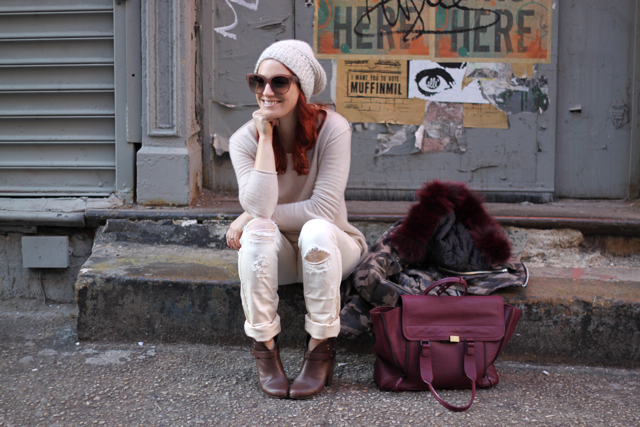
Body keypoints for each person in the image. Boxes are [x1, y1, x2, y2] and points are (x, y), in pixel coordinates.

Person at [226, 40, 366, 399]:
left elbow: (323, 210)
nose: (266, 91)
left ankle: (320, 347)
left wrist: (247, 215)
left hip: (332, 247)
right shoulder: (244, 140)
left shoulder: (333, 129)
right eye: (258, 81)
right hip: (282, 257)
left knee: (314, 228)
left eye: (279, 82)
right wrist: (265, 138)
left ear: (301, 88)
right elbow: (261, 210)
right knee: (258, 231)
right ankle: (265, 348)